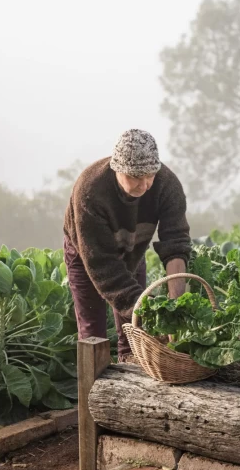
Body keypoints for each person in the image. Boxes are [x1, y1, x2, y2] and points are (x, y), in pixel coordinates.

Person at [63, 129, 192, 362]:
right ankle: (92, 395)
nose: (144, 185)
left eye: (150, 175)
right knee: (93, 335)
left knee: (133, 335)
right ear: (117, 169)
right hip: (87, 254)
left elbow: (176, 244)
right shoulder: (90, 190)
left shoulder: (167, 185)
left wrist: (176, 307)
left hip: (134, 248)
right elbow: (103, 267)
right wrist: (148, 311)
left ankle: (133, 391)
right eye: (135, 176)